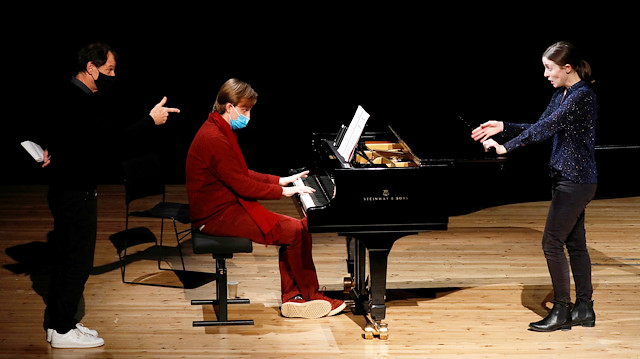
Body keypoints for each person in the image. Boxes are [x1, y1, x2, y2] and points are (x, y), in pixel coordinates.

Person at [39, 42, 180, 348]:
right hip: (75, 192)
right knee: (77, 260)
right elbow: (109, 145)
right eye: (109, 70)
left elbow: (68, 136)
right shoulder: (78, 100)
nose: (113, 76)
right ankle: (62, 331)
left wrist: (53, 150)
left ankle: (60, 323)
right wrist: (150, 121)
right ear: (91, 68)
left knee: (70, 258)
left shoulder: (73, 95)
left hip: (69, 188)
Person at [185, 78, 346, 319]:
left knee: (299, 228)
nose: (249, 116)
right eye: (245, 109)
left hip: (226, 206)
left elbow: (240, 172)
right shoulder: (214, 138)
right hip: (215, 215)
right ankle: (307, 296)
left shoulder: (219, 128)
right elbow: (243, 184)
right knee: (294, 231)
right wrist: (282, 192)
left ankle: (295, 296)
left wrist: (279, 180)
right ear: (229, 107)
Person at [471, 41, 598, 332]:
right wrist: (504, 125)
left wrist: (506, 148)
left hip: (576, 180)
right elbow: (541, 123)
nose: (545, 74)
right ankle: (584, 310)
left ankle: (562, 310)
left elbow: (545, 129)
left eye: (549, 68)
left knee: (551, 243)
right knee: (575, 245)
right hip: (570, 179)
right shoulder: (563, 94)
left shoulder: (583, 97)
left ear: (567, 68)